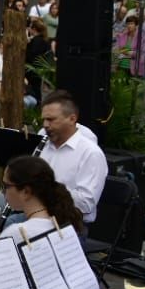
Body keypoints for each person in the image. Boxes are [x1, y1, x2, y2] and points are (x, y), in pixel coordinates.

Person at [0, 156, 86, 244]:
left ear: (26, 192)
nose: (2, 191)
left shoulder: (17, 232)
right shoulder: (63, 224)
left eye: (6, 186)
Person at [36, 90, 108, 225]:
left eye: (51, 119)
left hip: (68, 224)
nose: (45, 125)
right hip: (37, 215)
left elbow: (86, 204)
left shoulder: (91, 153)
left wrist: (47, 188)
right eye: (44, 120)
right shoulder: (43, 139)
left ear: (72, 119)